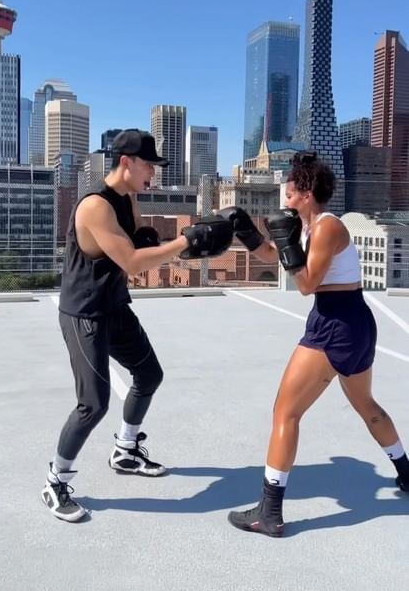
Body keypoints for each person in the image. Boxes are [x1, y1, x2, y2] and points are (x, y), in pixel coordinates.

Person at [42, 128, 233, 522]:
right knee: (93, 404)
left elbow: (138, 246)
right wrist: (187, 242)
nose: (154, 173)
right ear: (126, 162)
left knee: (149, 374)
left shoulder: (128, 199)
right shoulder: (96, 206)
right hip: (85, 314)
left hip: (113, 305)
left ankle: (125, 451)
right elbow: (130, 261)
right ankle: (55, 481)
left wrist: (169, 242)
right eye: (149, 165)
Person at [218, 151, 409, 538]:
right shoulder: (307, 228)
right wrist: (247, 232)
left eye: (289, 195)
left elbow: (305, 284)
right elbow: (272, 255)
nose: (284, 201)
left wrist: (287, 242)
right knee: (366, 405)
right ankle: (406, 472)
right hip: (350, 322)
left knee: (285, 412)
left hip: (336, 323)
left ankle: (269, 512)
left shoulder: (326, 228)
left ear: (306, 195)